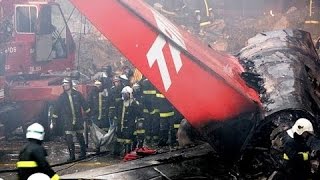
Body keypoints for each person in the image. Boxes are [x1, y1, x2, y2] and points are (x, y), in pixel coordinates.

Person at [52, 78, 91, 161]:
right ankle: (72, 156)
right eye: (64, 85)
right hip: (68, 120)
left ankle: (83, 153)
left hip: (78, 119)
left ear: (70, 85)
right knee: (69, 138)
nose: (65, 86)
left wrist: (88, 116)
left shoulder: (77, 94)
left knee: (80, 136)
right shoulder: (62, 97)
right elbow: (56, 109)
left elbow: (85, 105)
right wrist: (54, 120)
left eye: (66, 85)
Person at [88, 80, 110, 153]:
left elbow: (109, 102)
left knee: (105, 132)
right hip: (95, 116)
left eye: (99, 85)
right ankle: (97, 147)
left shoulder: (106, 92)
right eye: (96, 85)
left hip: (105, 117)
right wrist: (88, 115)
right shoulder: (92, 93)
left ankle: (107, 147)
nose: (98, 86)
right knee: (96, 133)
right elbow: (89, 104)